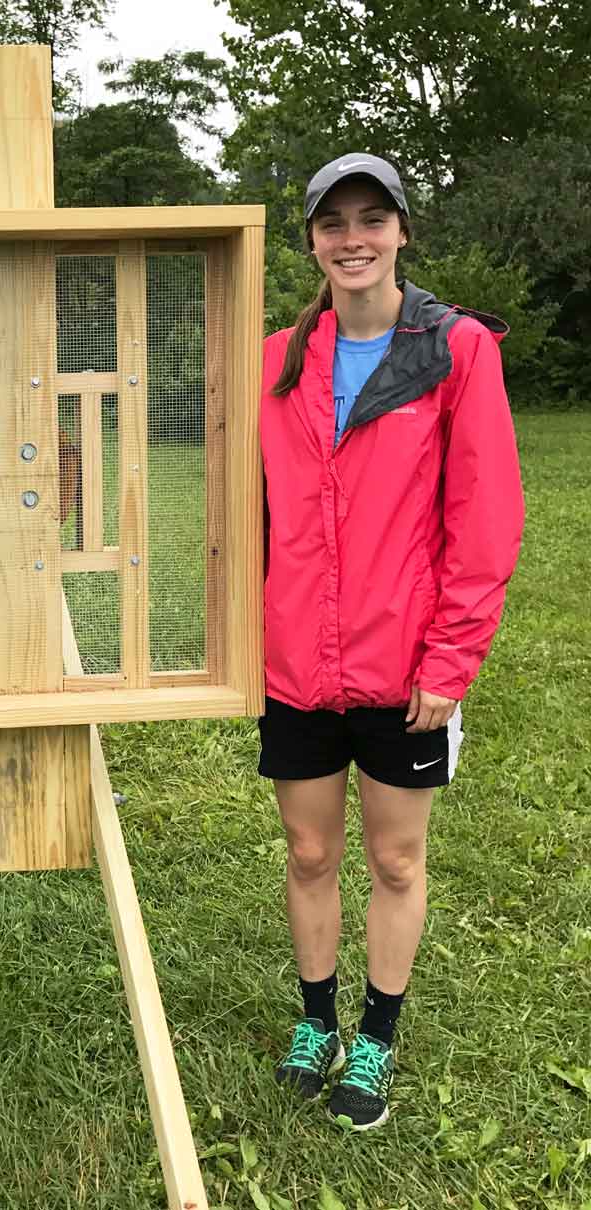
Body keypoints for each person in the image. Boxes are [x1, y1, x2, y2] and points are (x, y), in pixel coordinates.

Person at [259, 155, 524, 1129]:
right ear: (313, 242)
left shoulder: (454, 351)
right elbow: (250, 507)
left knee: (397, 859)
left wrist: (450, 663)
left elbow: (486, 519)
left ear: (403, 231)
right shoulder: (277, 357)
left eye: (373, 218)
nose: (353, 238)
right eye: (334, 223)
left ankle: (377, 1031)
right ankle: (317, 1018)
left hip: (404, 670)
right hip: (295, 663)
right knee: (308, 848)